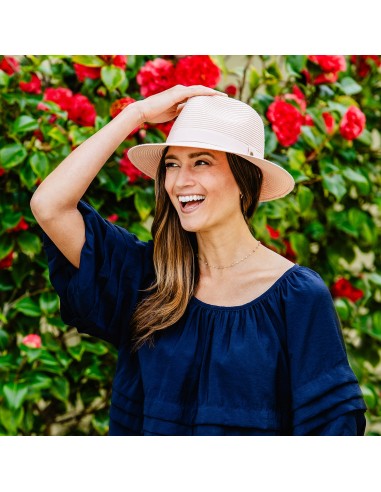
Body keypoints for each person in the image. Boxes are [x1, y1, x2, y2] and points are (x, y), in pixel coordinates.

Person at [31, 84, 367, 436]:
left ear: (245, 179)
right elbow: (49, 206)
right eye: (172, 164)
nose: (180, 181)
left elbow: (331, 436)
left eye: (202, 162)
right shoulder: (148, 278)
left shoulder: (297, 297)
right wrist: (137, 114)